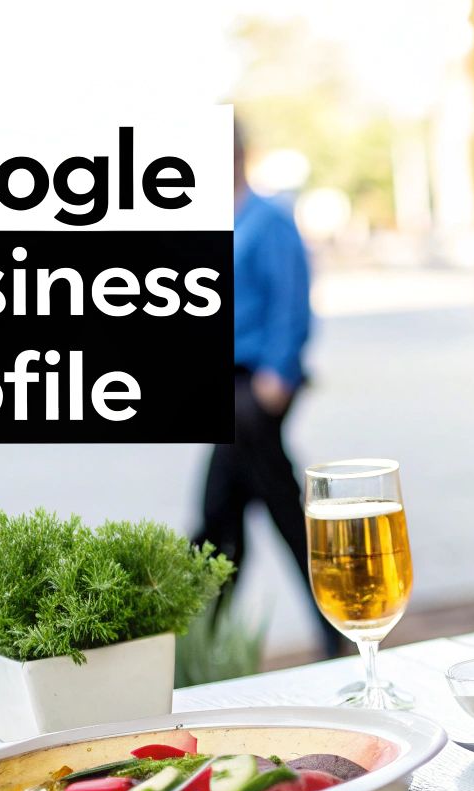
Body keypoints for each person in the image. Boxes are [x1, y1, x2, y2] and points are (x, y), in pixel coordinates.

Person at [197, 123, 341, 657]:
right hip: (231, 390)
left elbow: (290, 299)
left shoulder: (268, 219)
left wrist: (278, 374)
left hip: (256, 389)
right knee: (231, 513)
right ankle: (207, 643)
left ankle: (201, 644)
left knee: (225, 515)